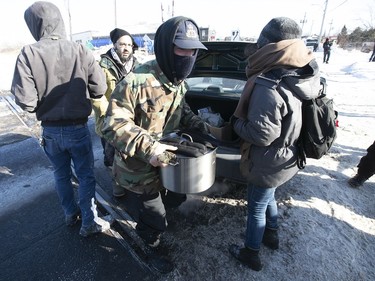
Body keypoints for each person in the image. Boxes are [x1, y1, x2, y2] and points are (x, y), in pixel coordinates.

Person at [100, 16, 208, 248]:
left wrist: (200, 125)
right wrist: (150, 147)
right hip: (140, 166)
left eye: (193, 52)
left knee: (177, 195)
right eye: (182, 50)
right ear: (167, 49)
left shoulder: (177, 80)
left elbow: (180, 109)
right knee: (153, 214)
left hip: (169, 157)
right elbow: (113, 125)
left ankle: (162, 217)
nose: (188, 57)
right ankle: (151, 239)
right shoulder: (136, 82)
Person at [11, 1, 111, 237]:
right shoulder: (80, 50)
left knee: (61, 175)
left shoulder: (28, 53)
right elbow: (100, 88)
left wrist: (42, 103)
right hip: (77, 128)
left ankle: (70, 213)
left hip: (51, 131)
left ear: (34, 25)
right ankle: (89, 222)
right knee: (85, 176)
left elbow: (25, 101)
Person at [228, 17, 320, 271]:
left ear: (268, 45)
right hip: (288, 156)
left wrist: (235, 123)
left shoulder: (268, 85)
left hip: (268, 159)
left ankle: (251, 253)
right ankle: (272, 234)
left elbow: (262, 135)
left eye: (261, 44)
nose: (257, 49)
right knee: (268, 196)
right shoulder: (300, 73)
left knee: (256, 207)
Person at [94, 28, 140, 198]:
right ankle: (118, 186)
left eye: (129, 44)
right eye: (122, 44)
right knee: (111, 157)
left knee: (131, 153)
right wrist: (111, 115)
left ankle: (131, 182)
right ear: (114, 45)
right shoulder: (102, 67)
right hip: (109, 121)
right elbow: (96, 96)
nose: (126, 48)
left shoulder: (137, 66)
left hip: (132, 120)